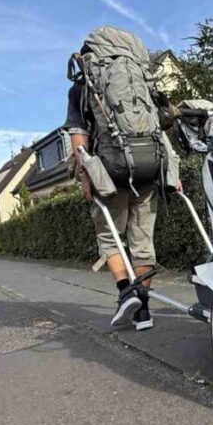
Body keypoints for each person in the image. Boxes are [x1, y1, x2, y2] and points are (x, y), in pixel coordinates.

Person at [65, 77, 181, 332]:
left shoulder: (84, 84)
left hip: (111, 172)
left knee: (110, 237)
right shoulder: (138, 78)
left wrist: (85, 175)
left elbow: (79, 134)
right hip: (149, 168)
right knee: (143, 241)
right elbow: (161, 123)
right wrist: (172, 171)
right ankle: (143, 311)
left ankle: (126, 292)